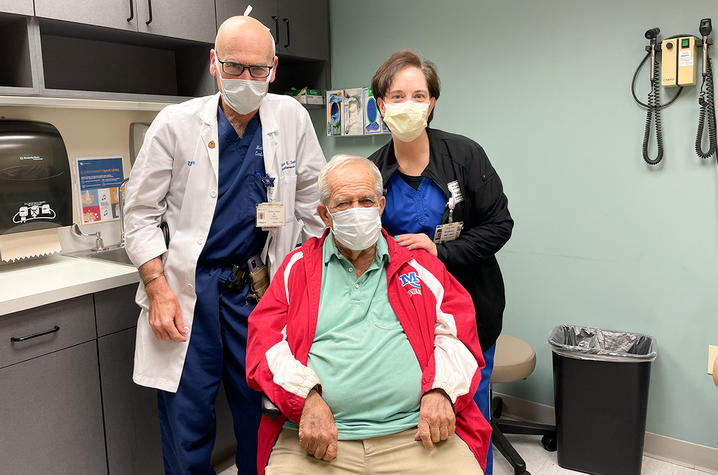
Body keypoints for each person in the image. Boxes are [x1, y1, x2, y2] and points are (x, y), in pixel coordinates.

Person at [123, 15, 325, 474]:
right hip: (189, 292)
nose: (247, 80)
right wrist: (157, 289)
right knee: (186, 419)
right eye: (234, 67)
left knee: (264, 414)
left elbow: (316, 206)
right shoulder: (175, 123)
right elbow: (139, 214)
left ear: (274, 69)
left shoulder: (290, 116)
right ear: (213, 64)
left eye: (258, 70)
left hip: (260, 290)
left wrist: (313, 282)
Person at [246, 155, 491, 474]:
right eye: (344, 204)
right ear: (325, 215)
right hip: (317, 438)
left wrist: (441, 390)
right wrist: (305, 397)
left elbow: (458, 336)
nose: (357, 211)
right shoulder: (297, 269)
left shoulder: (419, 267)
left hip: (416, 433)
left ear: (381, 205)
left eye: (366, 201)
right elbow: (264, 346)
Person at [367, 49, 514, 474]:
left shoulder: (465, 156)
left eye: (418, 95)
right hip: (403, 319)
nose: (407, 105)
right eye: (396, 96)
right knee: (414, 423)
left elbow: (499, 225)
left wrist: (441, 251)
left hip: (469, 312)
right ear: (380, 105)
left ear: (432, 103)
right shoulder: (375, 173)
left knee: (470, 420)